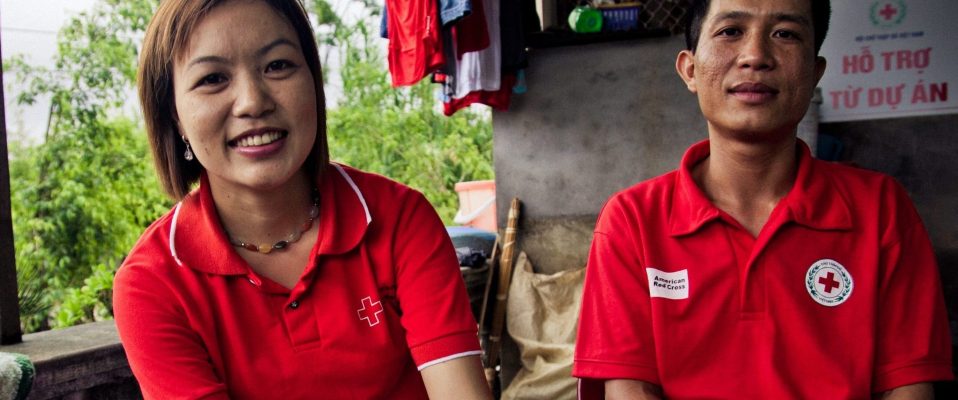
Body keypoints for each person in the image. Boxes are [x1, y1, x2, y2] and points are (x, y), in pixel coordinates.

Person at [572, 0, 953, 398]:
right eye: (730, 31)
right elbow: (628, 389)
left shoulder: (880, 209)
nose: (755, 56)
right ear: (689, 69)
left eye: (785, 34)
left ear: (814, 72)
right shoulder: (633, 220)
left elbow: (910, 386)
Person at [112, 1, 492, 399]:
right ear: (174, 115)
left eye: (277, 65)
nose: (253, 102)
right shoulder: (152, 285)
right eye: (213, 78)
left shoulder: (399, 219)